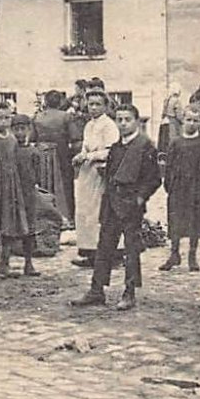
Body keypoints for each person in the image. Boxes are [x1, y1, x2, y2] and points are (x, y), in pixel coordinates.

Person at [72, 104, 162, 311]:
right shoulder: (116, 147)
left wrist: (139, 199)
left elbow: (153, 179)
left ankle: (129, 292)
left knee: (131, 250)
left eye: (127, 119)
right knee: (104, 247)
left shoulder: (145, 146)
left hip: (131, 206)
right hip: (112, 204)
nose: (122, 123)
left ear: (136, 121)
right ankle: (96, 291)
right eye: (119, 119)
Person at [0, 100, 42, 278]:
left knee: (8, 224)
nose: (4, 122)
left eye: (7, 118)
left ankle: (4, 263)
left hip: (10, 188)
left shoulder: (12, 139)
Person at [161, 105, 200, 272]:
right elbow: (169, 166)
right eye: (188, 120)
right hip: (178, 188)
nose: (191, 123)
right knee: (176, 220)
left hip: (197, 188)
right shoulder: (175, 142)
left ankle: (192, 255)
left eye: (195, 120)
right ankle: (174, 254)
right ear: (182, 121)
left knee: (194, 221)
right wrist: (169, 185)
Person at [71, 89, 117, 267]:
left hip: (100, 171)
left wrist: (89, 156)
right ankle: (89, 251)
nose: (94, 108)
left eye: (98, 104)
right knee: (85, 210)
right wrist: (80, 155)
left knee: (99, 211)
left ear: (105, 106)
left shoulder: (109, 125)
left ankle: (108, 254)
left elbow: (111, 150)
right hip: (86, 173)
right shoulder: (89, 125)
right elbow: (85, 146)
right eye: (91, 104)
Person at [31, 90, 76, 224]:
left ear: (45, 101)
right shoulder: (66, 117)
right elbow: (74, 137)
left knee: (44, 184)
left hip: (42, 153)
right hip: (61, 153)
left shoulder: (37, 117)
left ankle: (46, 215)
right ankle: (67, 216)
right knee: (65, 184)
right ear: (60, 102)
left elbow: (33, 137)